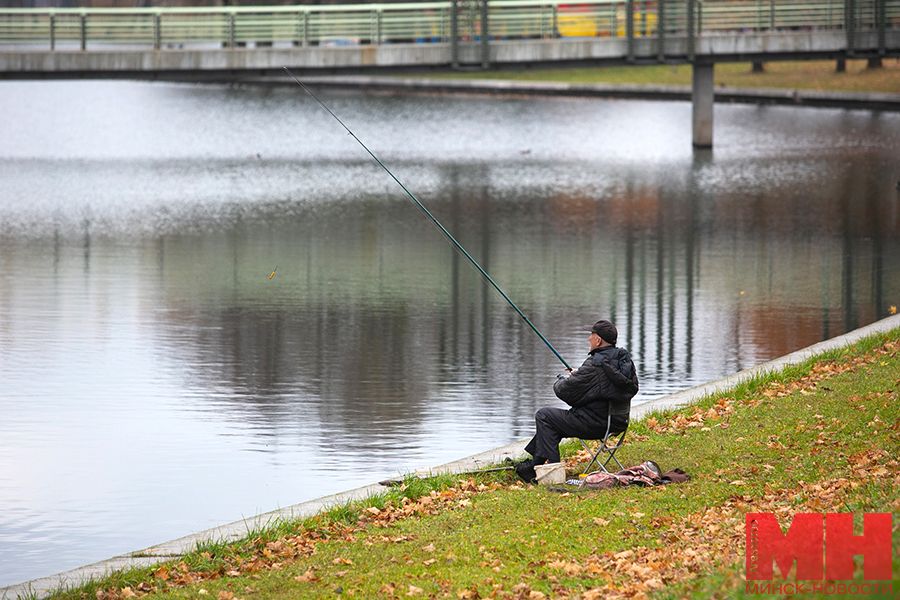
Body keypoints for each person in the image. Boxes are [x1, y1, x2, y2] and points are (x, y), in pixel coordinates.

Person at [515, 319, 639, 484]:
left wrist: (562, 379)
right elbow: (603, 384)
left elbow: (565, 392)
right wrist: (580, 375)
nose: (589, 338)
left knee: (544, 415)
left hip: (595, 424)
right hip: (617, 422)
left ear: (598, 340)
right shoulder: (624, 362)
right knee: (552, 424)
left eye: (591, 335)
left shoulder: (595, 364)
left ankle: (553, 473)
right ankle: (532, 467)